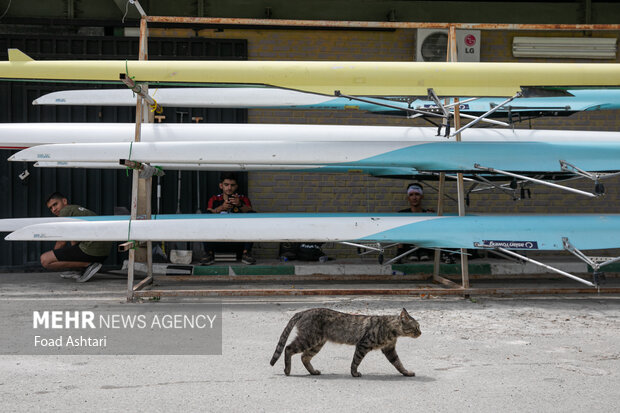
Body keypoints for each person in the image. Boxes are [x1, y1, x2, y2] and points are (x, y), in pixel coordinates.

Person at [40, 192, 112, 282]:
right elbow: (74, 242)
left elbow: (61, 242)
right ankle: (80, 269)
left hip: (92, 251)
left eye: (55, 204)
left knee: (45, 260)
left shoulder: (65, 211)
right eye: (51, 208)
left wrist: (55, 255)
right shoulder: (75, 210)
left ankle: (88, 265)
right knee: (71, 248)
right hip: (102, 253)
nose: (54, 209)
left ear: (64, 201)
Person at [202, 172, 256, 265]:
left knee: (251, 214)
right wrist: (221, 208)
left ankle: (246, 253)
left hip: (238, 241)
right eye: (226, 185)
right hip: (218, 240)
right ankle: (208, 254)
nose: (229, 188)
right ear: (221, 185)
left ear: (236, 186)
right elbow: (208, 215)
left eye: (232, 185)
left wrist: (239, 205)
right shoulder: (214, 199)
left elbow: (252, 213)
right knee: (206, 216)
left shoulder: (243, 199)